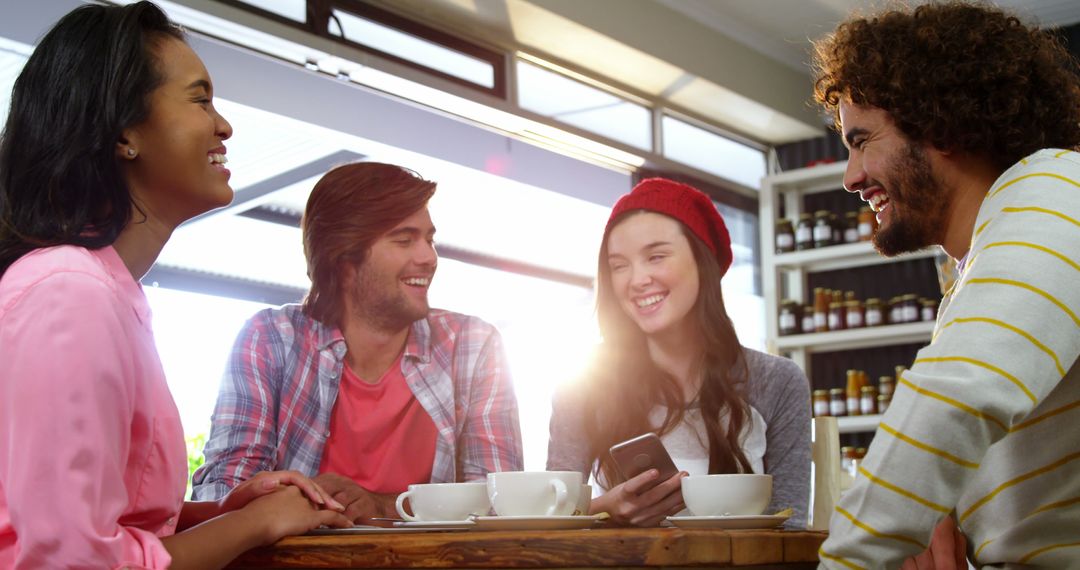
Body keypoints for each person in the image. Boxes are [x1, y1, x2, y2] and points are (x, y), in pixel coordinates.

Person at [0, 3, 352, 568]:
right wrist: (256, 524)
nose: (224, 125)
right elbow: (70, 560)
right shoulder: (70, 293)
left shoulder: (108, 294)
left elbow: (97, 518)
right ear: (123, 134)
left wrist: (216, 514)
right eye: (200, 98)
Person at [812, 2, 1080, 567]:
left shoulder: (1057, 185)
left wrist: (847, 561)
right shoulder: (972, 267)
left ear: (939, 123)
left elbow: (960, 393)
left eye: (862, 141)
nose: (851, 177)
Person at [191, 162, 524, 523]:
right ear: (344, 259)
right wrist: (311, 501)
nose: (429, 257)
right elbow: (220, 495)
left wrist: (381, 505)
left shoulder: (472, 346)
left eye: (429, 239)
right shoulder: (272, 339)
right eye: (404, 239)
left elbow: (501, 503)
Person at [547, 178, 811, 528]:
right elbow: (549, 524)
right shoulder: (582, 388)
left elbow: (791, 530)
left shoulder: (776, 382)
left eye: (655, 256)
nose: (637, 279)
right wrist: (605, 509)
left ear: (704, 262)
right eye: (619, 265)